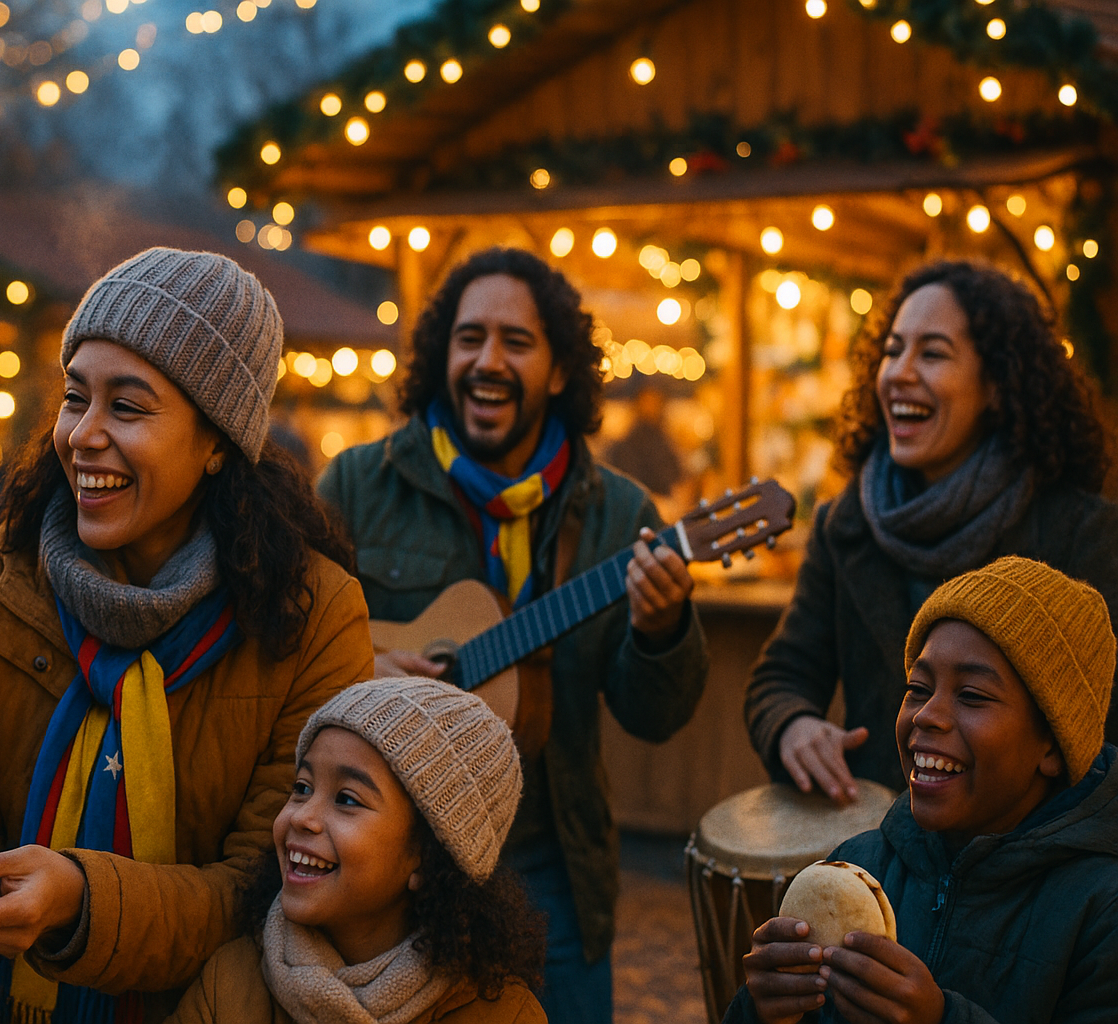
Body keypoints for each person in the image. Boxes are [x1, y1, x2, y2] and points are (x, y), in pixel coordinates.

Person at [0, 248, 376, 1021]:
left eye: (128, 408)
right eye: (77, 398)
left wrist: (83, 902)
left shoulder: (314, 613)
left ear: (217, 443)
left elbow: (269, 882)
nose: (83, 436)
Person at [318, 247, 709, 1021]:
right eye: (469, 338)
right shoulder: (358, 486)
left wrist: (661, 632)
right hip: (386, 859)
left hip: (549, 866)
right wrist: (361, 667)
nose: (487, 361)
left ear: (560, 370)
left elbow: (653, 715)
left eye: (516, 342)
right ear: (441, 354)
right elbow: (284, 648)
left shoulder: (618, 516)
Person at [745, 261, 1118, 805]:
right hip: (881, 851)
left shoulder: (1081, 533)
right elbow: (781, 676)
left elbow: (1104, 733)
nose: (898, 372)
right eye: (893, 350)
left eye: (933, 353)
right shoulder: (844, 525)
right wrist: (793, 725)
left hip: (1021, 870)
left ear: (997, 385)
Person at [733, 556, 1118, 1023]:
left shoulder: (1100, 910)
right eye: (917, 687)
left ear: (1053, 747)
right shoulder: (858, 869)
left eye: (972, 695)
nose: (925, 715)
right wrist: (759, 1009)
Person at [165, 677, 547, 1023]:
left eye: (347, 799)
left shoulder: (503, 1015)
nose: (303, 817)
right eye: (301, 788)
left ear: (429, 860)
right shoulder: (231, 983)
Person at [605, 383, 683, 497]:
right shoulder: (626, 445)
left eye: (655, 402)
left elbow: (675, 476)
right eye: (647, 402)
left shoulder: (664, 441)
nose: (651, 407)